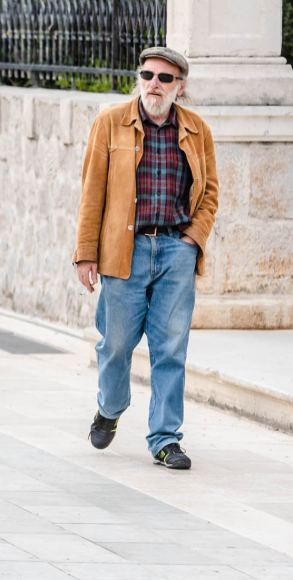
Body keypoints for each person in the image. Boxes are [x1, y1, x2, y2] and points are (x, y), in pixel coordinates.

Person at [74, 47, 219, 470]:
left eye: (165, 78)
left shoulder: (197, 130)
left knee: (171, 348)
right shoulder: (110, 122)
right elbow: (92, 192)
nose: (154, 83)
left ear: (180, 87)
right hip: (125, 251)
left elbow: (210, 193)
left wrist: (192, 240)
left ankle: (165, 439)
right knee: (116, 343)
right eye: (148, 75)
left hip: (176, 250)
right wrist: (86, 253)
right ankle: (110, 407)